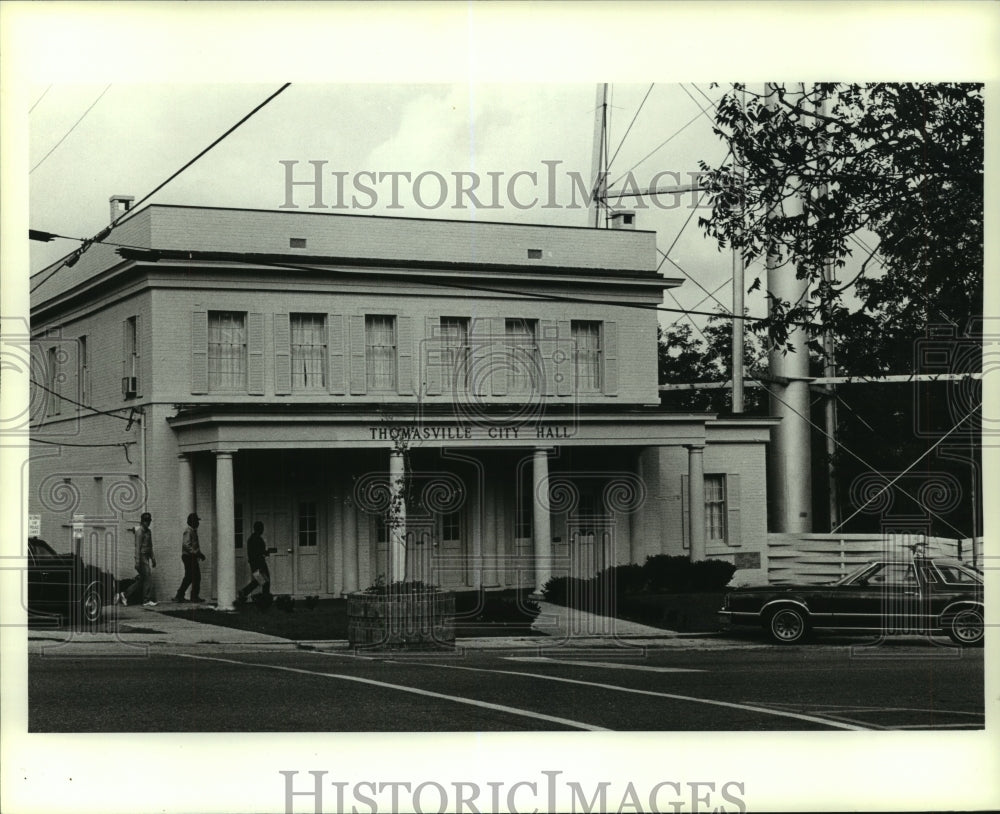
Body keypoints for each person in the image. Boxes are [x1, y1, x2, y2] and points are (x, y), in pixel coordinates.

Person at [118, 512, 156, 607]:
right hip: (141, 557)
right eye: (146, 521)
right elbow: (137, 547)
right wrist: (137, 561)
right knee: (148, 577)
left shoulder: (148, 532)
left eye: (149, 521)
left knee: (142, 579)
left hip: (146, 557)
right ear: (142, 521)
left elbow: (150, 546)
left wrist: (153, 558)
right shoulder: (139, 532)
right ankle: (146, 600)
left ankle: (125, 594)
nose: (148, 523)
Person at [235, 521, 271, 605]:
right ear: (259, 529)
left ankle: (244, 592)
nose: (262, 530)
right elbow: (258, 552)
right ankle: (265, 599)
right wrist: (265, 553)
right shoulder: (257, 539)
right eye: (261, 528)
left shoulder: (252, 538)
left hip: (255, 564)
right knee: (265, 581)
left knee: (260, 581)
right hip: (259, 564)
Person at [173, 513, 206, 602]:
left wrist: (199, 554)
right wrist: (197, 553)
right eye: (196, 521)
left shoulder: (193, 531)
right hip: (188, 557)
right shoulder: (188, 531)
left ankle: (187, 596)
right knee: (192, 577)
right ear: (193, 522)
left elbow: (193, 546)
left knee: (192, 577)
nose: (198, 523)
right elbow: (186, 545)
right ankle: (184, 595)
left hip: (191, 557)